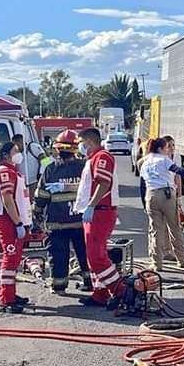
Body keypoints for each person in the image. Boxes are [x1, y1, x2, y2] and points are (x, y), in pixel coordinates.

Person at [34, 130, 92, 293]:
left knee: (58, 255)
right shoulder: (84, 167)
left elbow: (42, 195)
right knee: (84, 253)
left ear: (57, 149)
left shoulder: (51, 169)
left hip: (57, 222)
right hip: (81, 221)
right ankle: (89, 282)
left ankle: (59, 286)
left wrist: (37, 212)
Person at [75, 127, 124, 307]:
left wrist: (91, 205)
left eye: (81, 143)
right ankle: (100, 293)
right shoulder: (94, 158)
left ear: (89, 141)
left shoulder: (101, 157)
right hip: (96, 211)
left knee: (96, 256)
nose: (80, 147)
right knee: (94, 256)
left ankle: (120, 290)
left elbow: (103, 183)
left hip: (100, 211)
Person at [139, 137, 184, 271]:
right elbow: (178, 171)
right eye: (167, 147)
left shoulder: (144, 163)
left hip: (151, 196)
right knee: (174, 228)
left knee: (156, 230)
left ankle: (157, 264)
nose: (169, 150)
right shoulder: (164, 159)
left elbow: (143, 184)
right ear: (161, 148)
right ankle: (181, 260)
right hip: (166, 195)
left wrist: (144, 203)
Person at [0, 142, 33, 313]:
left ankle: (11, 294)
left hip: (13, 219)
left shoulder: (11, 170)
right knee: (10, 256)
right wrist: (18, 223)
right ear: (6, 155)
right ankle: (6, 299)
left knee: (14, 258)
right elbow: (7, 200)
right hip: (8, 220)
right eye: (15, 151)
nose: (19, 153)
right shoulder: (5, 172)